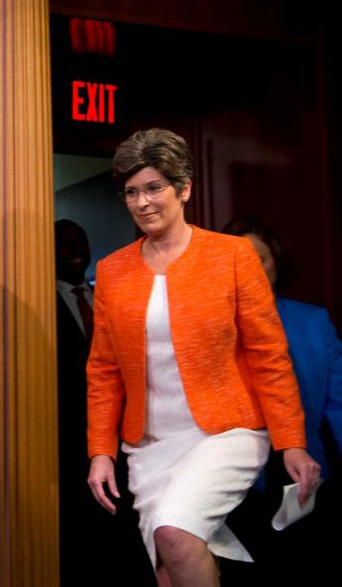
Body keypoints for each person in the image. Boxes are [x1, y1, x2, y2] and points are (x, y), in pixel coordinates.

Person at [85, 128, 321, 587]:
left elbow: (268, 355)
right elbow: (104, 371)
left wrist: (291, 441)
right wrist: (100, 452)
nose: (143, 202)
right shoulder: (112, 270)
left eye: (155, 187)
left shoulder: (232, 256)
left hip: (226, 431)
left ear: (184, 188)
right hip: (149, 445)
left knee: (175, 530)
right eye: (131, 192)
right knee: (168, 568)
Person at [219, 215, 342, 583]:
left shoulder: (314, 321)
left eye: (262, 258)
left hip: (306, 480)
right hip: (233, 485)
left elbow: (338, 404)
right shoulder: (209, 327)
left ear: (277, 262)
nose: (253, 268)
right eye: (242, 260)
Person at [55, 219, 154, 585]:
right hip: (69, 439)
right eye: (64, 244)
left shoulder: (109, 296)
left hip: (131, 434)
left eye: (80, 241)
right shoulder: (40, 304)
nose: (75, 250)